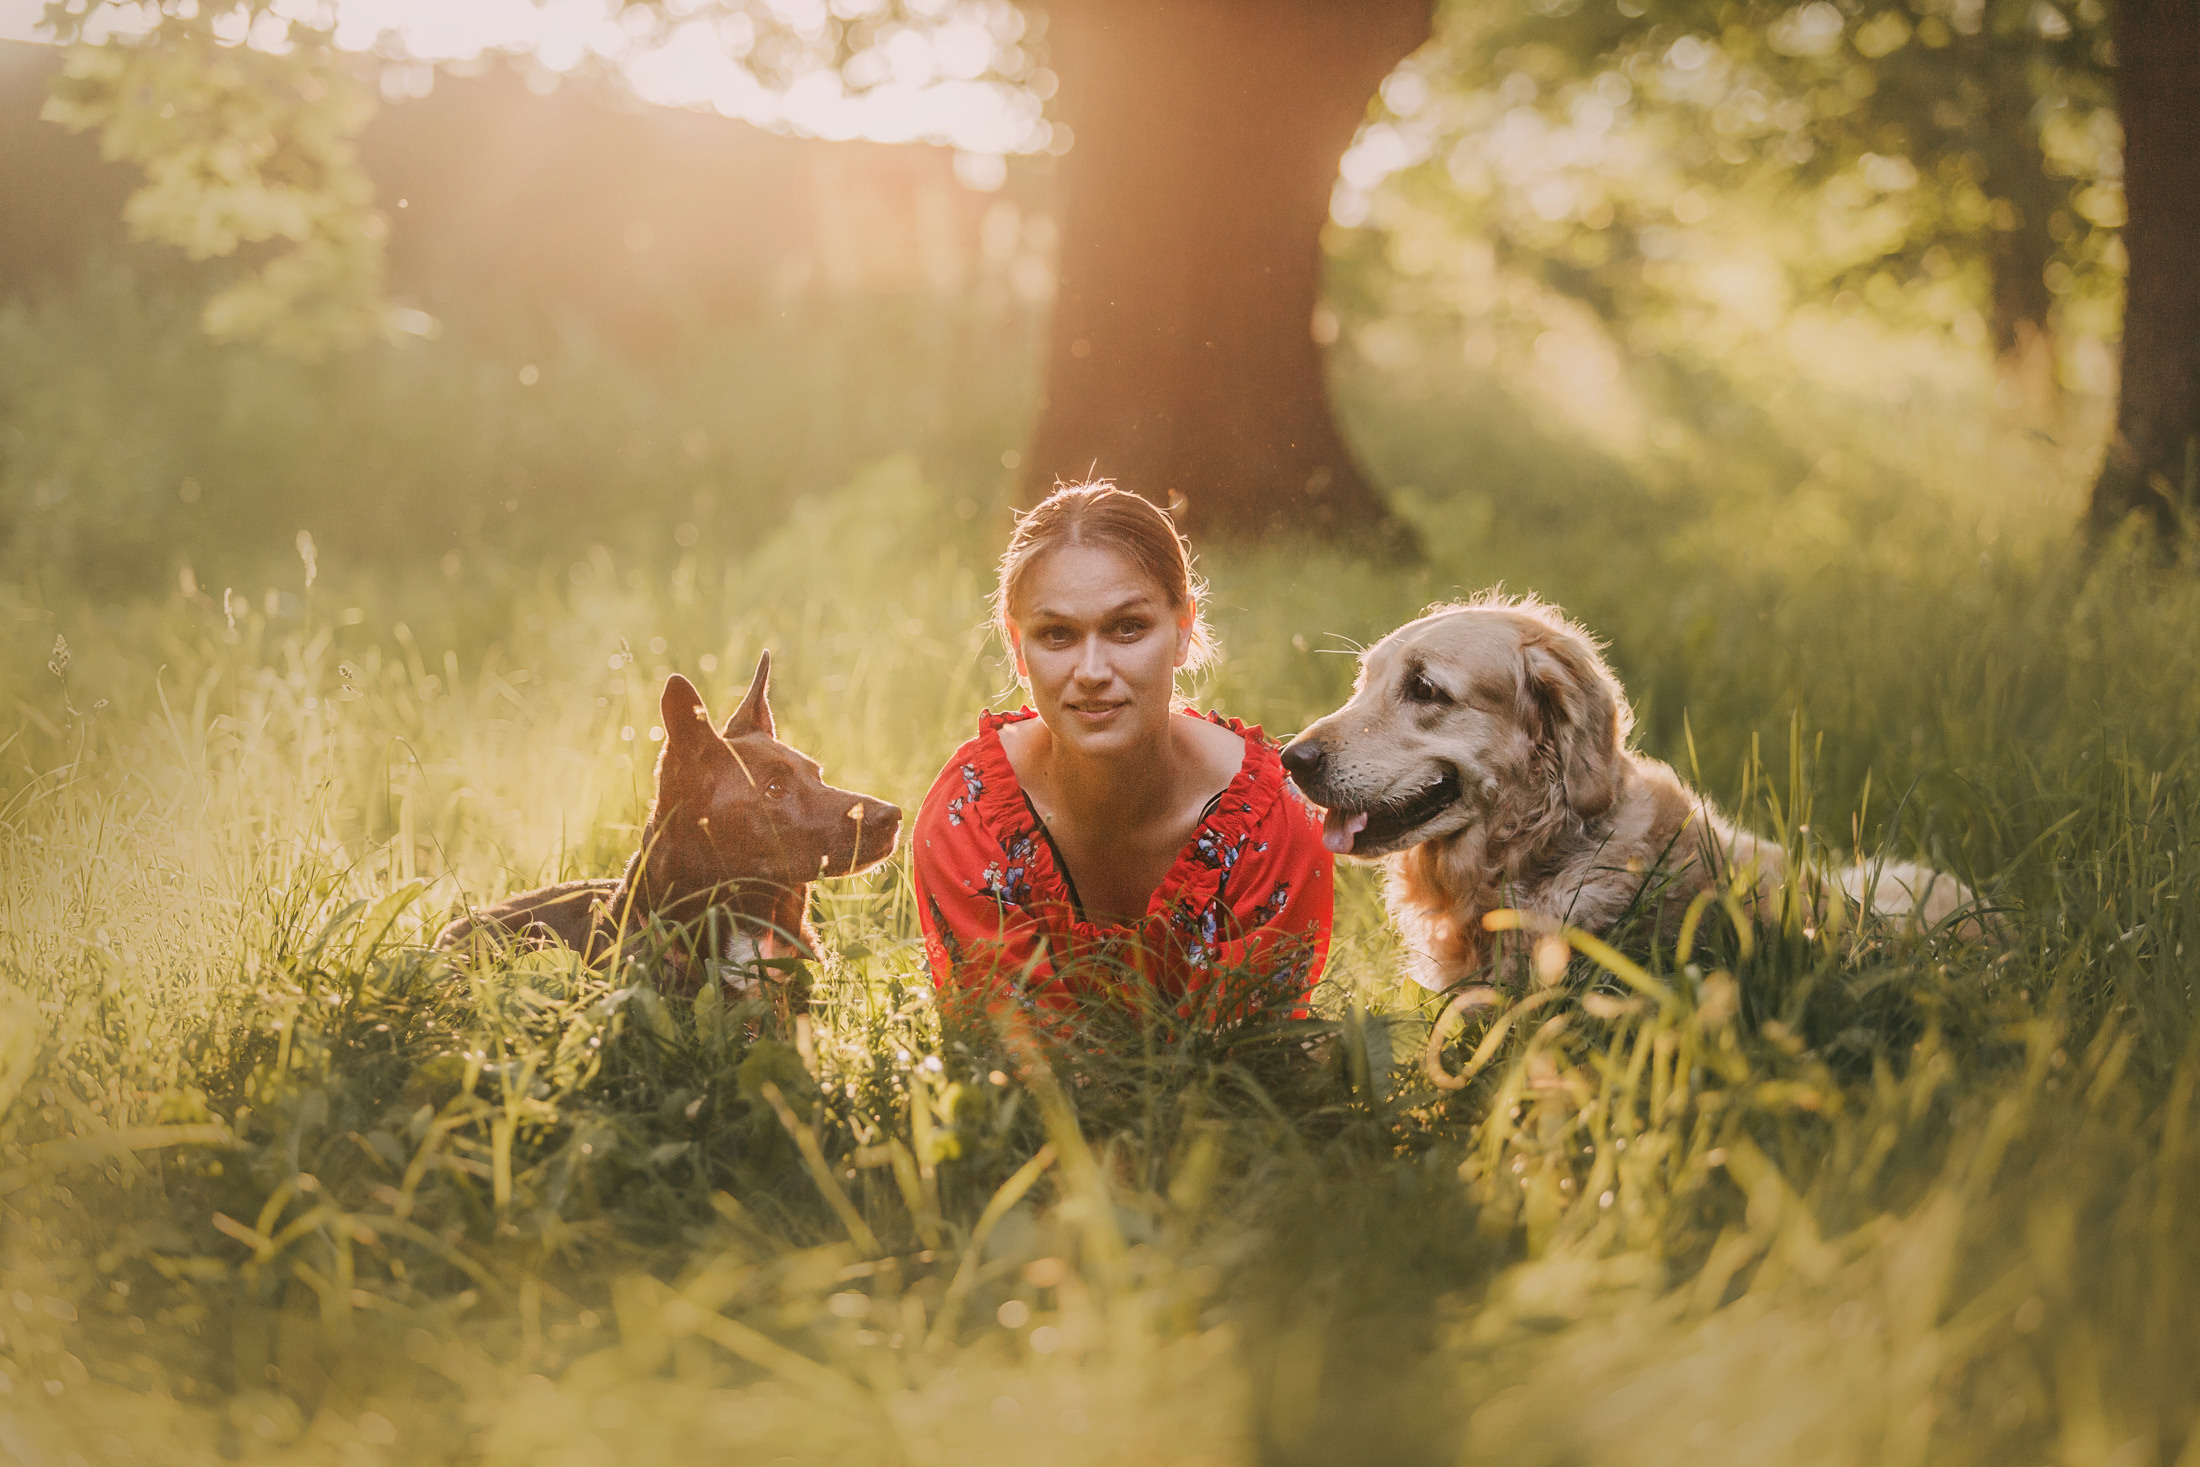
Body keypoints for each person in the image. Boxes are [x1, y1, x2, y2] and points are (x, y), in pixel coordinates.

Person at [912, 481, 1334, 1016]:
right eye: (1057, 635)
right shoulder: (969, 820)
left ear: (1183, 629)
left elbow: (1247, 1067)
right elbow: (1011, 1060)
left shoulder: (1272, 827)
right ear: (1018, 647)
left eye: (1128, 628)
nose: (1091, 672)